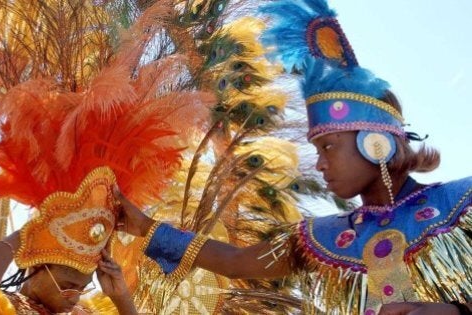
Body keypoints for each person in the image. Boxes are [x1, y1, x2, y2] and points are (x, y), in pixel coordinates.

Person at [113, 26, 472, 315]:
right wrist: (145, 227)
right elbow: (236, 262)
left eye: (328, 147)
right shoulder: (325, 235)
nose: (319, 164)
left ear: (374, 143)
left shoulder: (462, 203)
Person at [0, 230, 136, 314]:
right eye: (67, 287)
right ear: (35, 267)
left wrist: (121, 298)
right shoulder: (4, 307)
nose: (75, 298)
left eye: (82, 289)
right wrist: (29, 233)